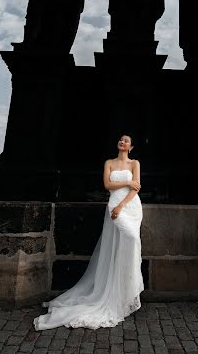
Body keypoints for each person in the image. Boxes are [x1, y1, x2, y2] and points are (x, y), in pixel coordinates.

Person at [33, 135, 144, 330]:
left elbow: (136, 188)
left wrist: (123, 204)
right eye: (120, 139)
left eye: (126, 141)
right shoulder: (109, 162)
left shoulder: (135, 163)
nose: (122, 142)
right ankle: (111, 293)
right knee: (114, 246)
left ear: (131, 147)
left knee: (132, 241)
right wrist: (124, 188)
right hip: (113, 203)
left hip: (130, 206)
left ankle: (125, 293)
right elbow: (108, 185)